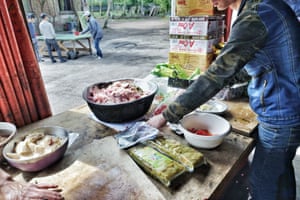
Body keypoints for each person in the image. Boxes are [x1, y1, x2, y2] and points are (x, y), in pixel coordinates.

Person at [147, 0, 300, 199]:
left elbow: (217, 76)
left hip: (282, 113)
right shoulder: (264, 6)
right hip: (289, 107)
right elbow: (250, 63)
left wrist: (166, 116)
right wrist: (214, 82)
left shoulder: (256, 15)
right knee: (280, 174)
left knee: (264, 183)